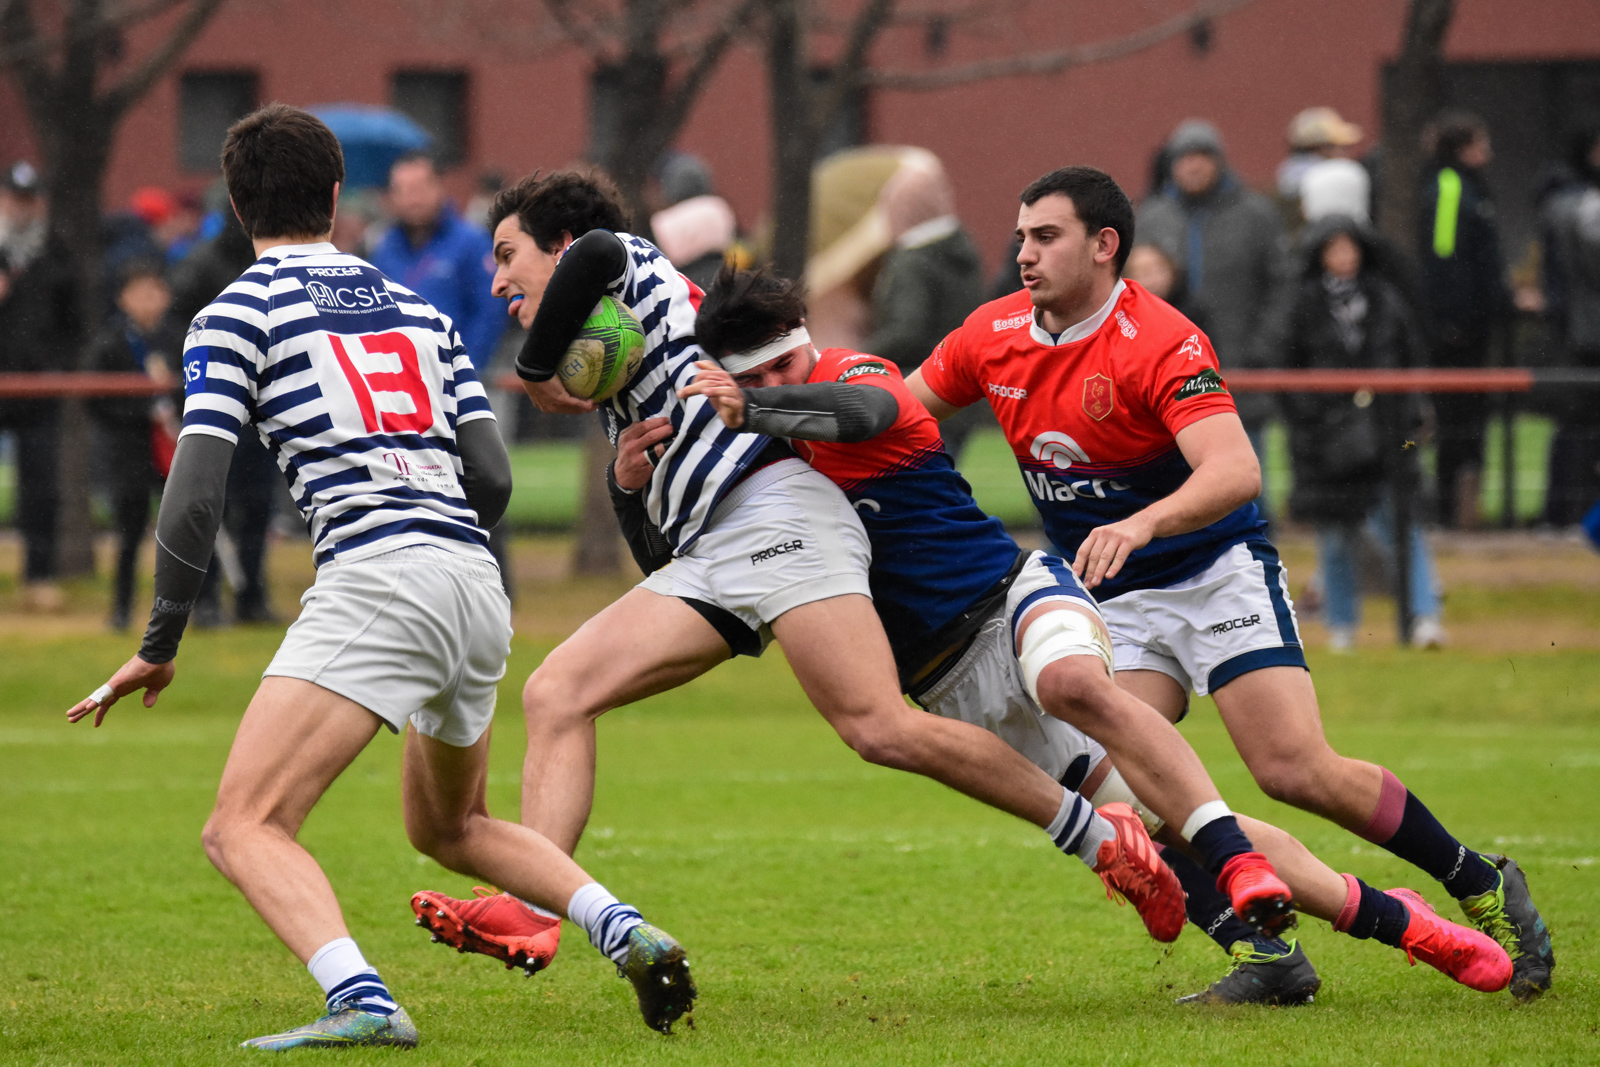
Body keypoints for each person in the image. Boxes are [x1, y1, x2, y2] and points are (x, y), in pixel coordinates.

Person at [411, 169, 1294, 975]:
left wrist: (529, 373)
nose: (496, 282)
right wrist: (628, 478)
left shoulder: (621, 266)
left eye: (507, 256)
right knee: (555, 692)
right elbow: (658, 554)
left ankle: (1103, 841)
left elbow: (600, 248)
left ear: (558, 249)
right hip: (718, 551)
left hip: (779, 514)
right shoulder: (614, 368)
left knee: (878, 727)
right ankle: (535, 911)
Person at [672, 265, 1511, 1003]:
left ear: (803, 346)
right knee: (1155, 821)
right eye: (760, 376)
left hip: (1017, 599)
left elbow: (861, 409)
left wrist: (759, 400)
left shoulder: (846, 378)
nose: (782, 380)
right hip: (949, 682)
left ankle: (1252, 868)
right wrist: (640, 470)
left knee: (1079, 687)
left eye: (787, 363)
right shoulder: (748, 445)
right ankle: (1403, 921)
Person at [66, 105, 697, 1049]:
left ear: (238, 206)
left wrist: (159, 642)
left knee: (244, 824)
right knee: (454, 826)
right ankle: (624, 926)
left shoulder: (235, 310)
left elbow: (194, 488)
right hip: (475, 584)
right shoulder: (420, 310)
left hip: (380, 573)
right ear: (334, 198)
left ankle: (359, 996)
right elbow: (492, 477)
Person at [906, 166, 1554, 1003]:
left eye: (1046, 237)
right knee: (1130, 791)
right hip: (1118, 595)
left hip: (1215, 573)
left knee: (1292, 766)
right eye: (1021, 236)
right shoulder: (991, 334)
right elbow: (899, 408)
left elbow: (1236, 468)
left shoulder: (1161, 339)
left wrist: (1142, 522)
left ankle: (1483, 881)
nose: (1023, 253)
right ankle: (1267, 956)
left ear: (1105, 247)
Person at [1282, 216, 1445, 650]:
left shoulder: (1386, 300)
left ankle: (1425, 617)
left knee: (1403, 526)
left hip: (1389, 435)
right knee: (1335, 536)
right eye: (1334, 249)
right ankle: (1341, 627)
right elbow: (1286, 369)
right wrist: (1315, 421)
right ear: (1320, 255)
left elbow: (1411, 359)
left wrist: (1412, 414)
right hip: (1326, 443)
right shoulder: (1302, 306)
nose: (1344, 258)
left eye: (1350, 248)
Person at [370, 152, 514, 593]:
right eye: (402, 190)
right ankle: (423, 580)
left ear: (439, 188)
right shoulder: (382, 248)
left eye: (420, 188)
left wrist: (458, 372)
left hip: (467, 386)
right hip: (399, 390)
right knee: (410, 482)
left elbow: (489, 314)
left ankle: (494, 580)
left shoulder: (471, 243)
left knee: (482, 477)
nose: (412, 199)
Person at [1136, 121, 1290, 511]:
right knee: (1174, 489)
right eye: (1185, 159)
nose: (1194, 167)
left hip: (1240, 368)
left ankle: (1255, 560)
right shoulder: (1150, 217)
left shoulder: (1256, 215)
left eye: (1202, 158)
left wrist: (1263, 344)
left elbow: (1283, 285)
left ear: (1218, 162)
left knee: (1248, 487)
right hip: (1163, 373)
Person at [168, 200, 280, 626]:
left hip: (259, 408)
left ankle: (252, 596)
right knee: (211, 508)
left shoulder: (263, 263)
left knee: (255, 509)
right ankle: (207, 600)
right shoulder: (201, 265)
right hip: (220, 407)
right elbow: (178, 326)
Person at [1418, 110, 1510, 530]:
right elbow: (1445, 255)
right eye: (1480, 143)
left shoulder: (1465, 186)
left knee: (1466, 419)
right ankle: (1451, 510)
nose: (1488, 152)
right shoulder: (1452, 188)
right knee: (1457, 419)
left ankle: (1459, 506)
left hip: (1467, 323)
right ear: (1462, 149)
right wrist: (1453, 320)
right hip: (1458, 329)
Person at [85, 259, 183, 630]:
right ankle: (122, 610)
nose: (148, 300)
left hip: (174, 447)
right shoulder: (111, 342)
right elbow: (96, 399)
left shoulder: (179, 338)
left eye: (155, 291)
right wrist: (142, 410)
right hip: (130, 453)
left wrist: (172, 410)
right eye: (139, 292)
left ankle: (201, 607)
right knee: (129, 535)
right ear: (123, 298)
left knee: (188, 527)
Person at [865, 162, 987, 459]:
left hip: (920, 392)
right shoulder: (961, 254)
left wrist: (860, 356)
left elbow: (906, 331)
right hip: (961, 393)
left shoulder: (913, 262)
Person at [0, 160, 73, 610]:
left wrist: (55, 369)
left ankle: (39, 575)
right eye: (15, 197)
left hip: (39, 389)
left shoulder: (56, 253)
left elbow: (76, 323)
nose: (23, 207)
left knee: (42, 484)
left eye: (30, 198)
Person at [1539, 128, 1600, 526]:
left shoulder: (1560, 204)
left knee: (1573, 427)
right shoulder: (1586, 208)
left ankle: (1563, 513)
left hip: (1574, 330)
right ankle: (1576, 514)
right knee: (1580, 428)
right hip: (1589, 332)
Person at [1275, 107, 1365, 222]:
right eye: (1341, 147)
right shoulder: (1317, 180)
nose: (1346, 153)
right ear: (1321, 148)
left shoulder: (1288, 174)